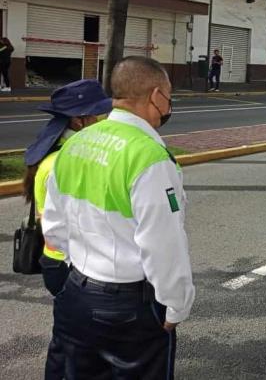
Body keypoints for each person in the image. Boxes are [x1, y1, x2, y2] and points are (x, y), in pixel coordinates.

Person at [43, 56, 195, 378]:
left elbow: (54, 228)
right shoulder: (148, 156)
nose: (169, 106)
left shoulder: (75, 144)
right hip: (129, 308)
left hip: (75, 294)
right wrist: (175, 305)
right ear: (156, 96)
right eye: (169, 97)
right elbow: (164, 245)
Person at [23, 79, 112, 380]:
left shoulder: (52, 153)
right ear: (79, 119)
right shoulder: (67, 159)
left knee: (68, 340)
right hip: (68, 264)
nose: (101, 120)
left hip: (56, 259)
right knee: (73, 345)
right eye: (97, 114)